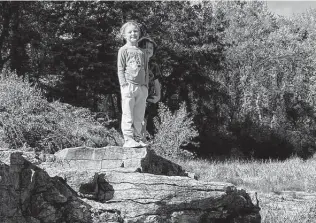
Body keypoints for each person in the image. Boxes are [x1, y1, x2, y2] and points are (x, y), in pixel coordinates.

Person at [117, 21, 149, 148]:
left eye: (135, 31)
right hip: (128, 85)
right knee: (128, 113)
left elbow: (146, 70)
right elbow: (120, 68)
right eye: (129, 32)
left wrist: (145, 86)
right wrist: (123, 84)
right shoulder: (123, 50)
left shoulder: (142, 52)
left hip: (141, 87)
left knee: (139, 114)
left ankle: (137, 137)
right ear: (124, 35)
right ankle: (128, 138)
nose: (133, 34)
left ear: (139, 33)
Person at [138, 36, 161, 140]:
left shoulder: (154, 65)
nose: (148, 50)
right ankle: (135, 138)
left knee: (146, 118)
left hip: (149, 96)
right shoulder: (136, 62)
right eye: (145, 47)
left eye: (151, 48)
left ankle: (143, 139)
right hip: (137, 95)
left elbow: (156, 82)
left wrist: (158, 96)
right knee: (137, 116)